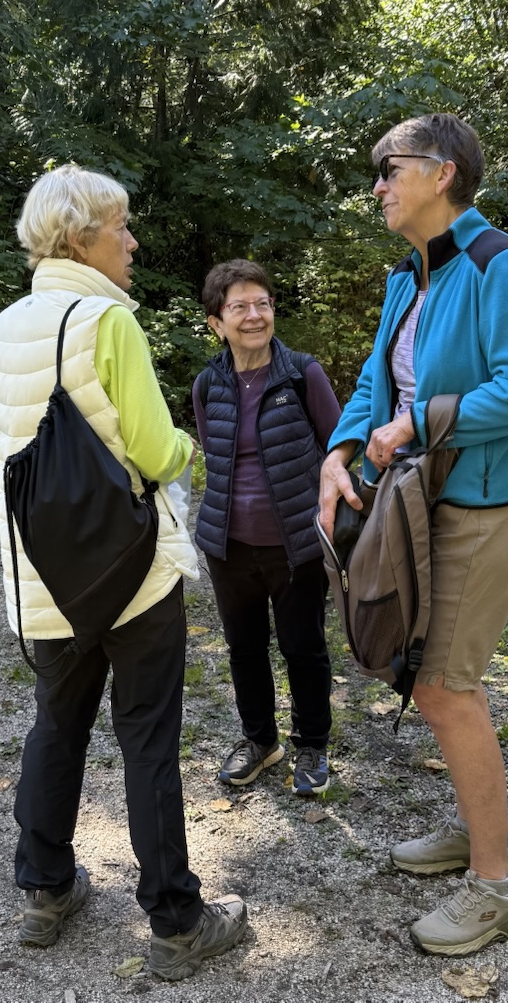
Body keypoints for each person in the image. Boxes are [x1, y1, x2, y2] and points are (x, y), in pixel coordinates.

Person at [0, 164, 246, 981]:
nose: (132, 241)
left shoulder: (2, 329)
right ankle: (176, 919)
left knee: (56, 727)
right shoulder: (106, 319)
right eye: (121, 226)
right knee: (148, 739)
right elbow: (153, 446)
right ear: (79, 237)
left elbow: (4, 457)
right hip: (129, 571)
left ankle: (46, 889)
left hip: (45, 574)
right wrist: (188, 452)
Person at [318, 114, 508, 956]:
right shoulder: (409, 276)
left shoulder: (501, 264)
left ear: (444, 172)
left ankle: (497, 889)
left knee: (445, 686)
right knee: (428, 674)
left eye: (390, 169)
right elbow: (372, 380)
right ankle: (477, 824)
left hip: (484, 509)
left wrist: (419, 423)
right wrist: (342, 449)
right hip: (422, 500)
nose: (378, 186)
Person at [193, 259, 341, 795]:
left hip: (296, 542)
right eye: (239, 307)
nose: (254, 315)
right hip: (228, 545)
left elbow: (336, 450)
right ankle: (260, 741)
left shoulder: (304, 374)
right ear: (216, 320)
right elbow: (215, 454)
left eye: (263, 303)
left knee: (303, 646)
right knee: (245, 648)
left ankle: (311, 748)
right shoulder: (208, 384)